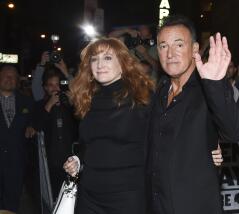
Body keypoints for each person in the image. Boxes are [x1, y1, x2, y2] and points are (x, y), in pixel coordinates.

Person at [63, 37, 224, 214]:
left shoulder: (142, 98)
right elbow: (88, 144)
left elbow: (173, 128)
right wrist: (78, 160)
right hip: (89, 195)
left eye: (108, 58)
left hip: (129, 197)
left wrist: (208, 146)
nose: (100, 64)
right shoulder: (86, 99)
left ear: (123, 63)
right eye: (94, 59)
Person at [147, 15, 239, 214]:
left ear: (194, 49)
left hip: (194, 205)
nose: (170, 53)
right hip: (156, 204)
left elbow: (234, 132)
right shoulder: (159, 91)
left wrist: (216, 83)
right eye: (163, 46)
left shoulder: (208, 88)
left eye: (179, 45)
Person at [32, 68, 78, 200]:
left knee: (70, 196)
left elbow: (82, 121)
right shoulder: (40, 105)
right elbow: (36, 126)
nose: (55, 88)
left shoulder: (68, 105)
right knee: (53, 196)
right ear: (46, 88)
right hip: (50, 161)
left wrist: (73, 102)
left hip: (70, 159)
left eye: (57, 84)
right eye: (51, 85)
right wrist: (49, 105)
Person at [0, 65, 35, 212]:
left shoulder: (27, 102)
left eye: (13, 76)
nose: (10, 79)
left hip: (16, 162)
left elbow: (34, 120)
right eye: (6, 75)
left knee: (12, 203)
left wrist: (32, 126)